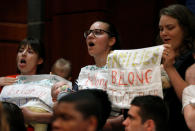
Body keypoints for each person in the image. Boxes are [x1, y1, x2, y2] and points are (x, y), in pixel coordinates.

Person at [0, 37, 52, 131]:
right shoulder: (6, 81)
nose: (23, 54)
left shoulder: (48, 84)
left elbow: (61, 115)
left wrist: (33, 116)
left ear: (40, 60)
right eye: (20, 50)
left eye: (30, 52)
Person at [158, 4, 195, 131]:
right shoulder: (159, 57)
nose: (164, 33)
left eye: (170, 28)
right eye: (161, 29)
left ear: (185, 29)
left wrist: (170, 68)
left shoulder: (192, 59)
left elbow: (191, 101)